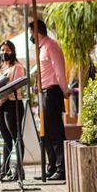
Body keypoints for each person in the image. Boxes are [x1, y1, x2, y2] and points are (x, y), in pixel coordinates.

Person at [29, 20, 70, 181]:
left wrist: (65, 90)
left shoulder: (51, 46)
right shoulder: (41, 48)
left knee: (55, 132)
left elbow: (59, 71)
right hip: (43, 92)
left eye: (31, 33)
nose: (31, 37)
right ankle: (51, 166)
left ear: (37, 32)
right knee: (44, 132)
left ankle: (61, 168)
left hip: (52, 92)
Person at [0, 40, 26, 179]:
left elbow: (11, 87)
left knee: (15, 137)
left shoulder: (17, 67)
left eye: (7, 50)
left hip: (12, 104)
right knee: (5, 138)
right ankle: (4, 170)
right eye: (2, 50)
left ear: (13, 51)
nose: (4, 53)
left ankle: (19, 170)